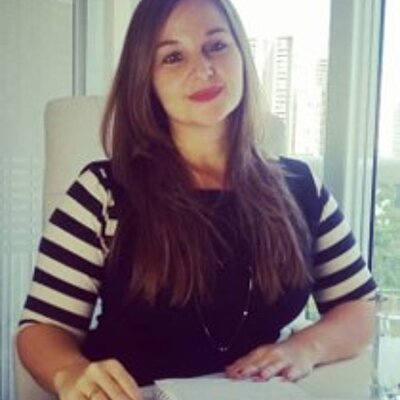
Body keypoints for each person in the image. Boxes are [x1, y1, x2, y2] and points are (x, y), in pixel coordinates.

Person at [17, 0, 377, 399]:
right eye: (173, 57)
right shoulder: (103, 192)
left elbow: (359, 306)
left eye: (217, 46)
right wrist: (71, 373)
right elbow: (42, 328)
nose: (203, 68)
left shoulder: (300, 187)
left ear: (242, 55)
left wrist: (305, 348)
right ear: (145, 79)